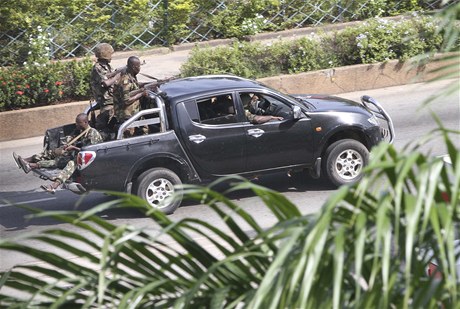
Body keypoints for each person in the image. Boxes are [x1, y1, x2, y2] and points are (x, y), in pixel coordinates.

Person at [13, 113, 103, 193]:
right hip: (79, 155)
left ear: (85, 122)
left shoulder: (93, 134)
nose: (76, 125)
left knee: (71, 164)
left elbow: (91, 152)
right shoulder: (81, 132)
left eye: (78, 123)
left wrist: (74, 148)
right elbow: (75, 142)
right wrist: (65, 147)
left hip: (91, 160)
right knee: (57, 157)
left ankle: (54, 186)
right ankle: (29, 163)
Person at [113, 56, 148, 137]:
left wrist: (148, 84)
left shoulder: (131, 76)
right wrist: (141, 94)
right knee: (129, 137)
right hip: (127, 116)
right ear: (133, 67)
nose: (139, 68)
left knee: (144, 131)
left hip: (134, 113)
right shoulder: (125, 80)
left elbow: (134, 87)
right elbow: (126, 100)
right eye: (138, 66)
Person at [90, 43, 115, 135]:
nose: (111, 56)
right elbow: (106, 82)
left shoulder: (107, 66)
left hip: (111, 98)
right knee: (105, 124)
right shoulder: (98, 67)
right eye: (110, 54)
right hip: (106, 100)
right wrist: (118, 75)